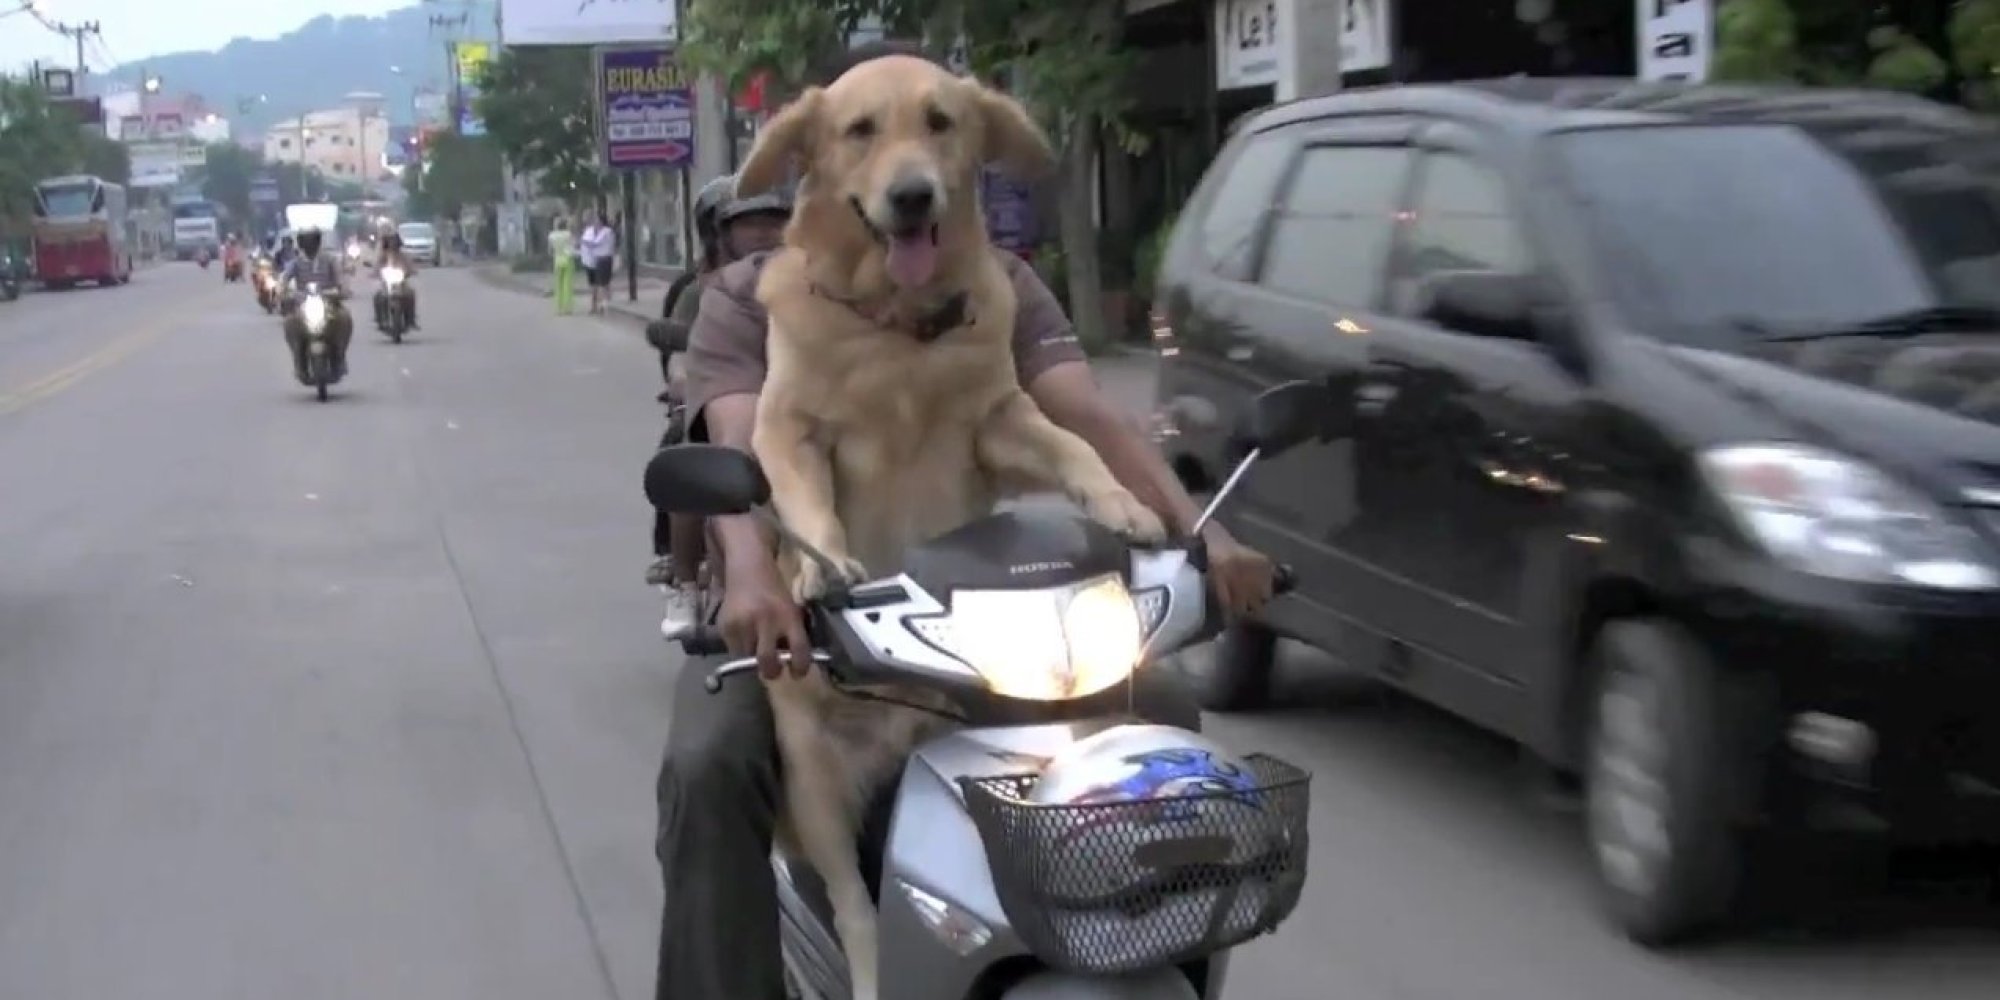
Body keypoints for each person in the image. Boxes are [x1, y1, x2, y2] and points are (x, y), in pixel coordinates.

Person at [650, 41, 1279, 1000]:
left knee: (1169, 722)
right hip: (807, 632)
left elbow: (1085, 414)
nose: (906, 161)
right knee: (710, 770)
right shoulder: (746, 299)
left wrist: (1203, 534)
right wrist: (751, 571)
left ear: (965, 151)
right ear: (822, 161)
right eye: (866, 132)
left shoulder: (999, 286)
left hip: (976, 628)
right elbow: (746, 447)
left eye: (934, 126)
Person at [647, 175, 795, 638]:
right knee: (693, 464)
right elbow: (684, 355)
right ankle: (686, 582)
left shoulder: (810, 279)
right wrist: (685, 384)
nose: (764, 233)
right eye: (749, 224)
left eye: (774, 220)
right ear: (720, 232)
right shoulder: (705, 291)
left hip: (797, 404)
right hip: (722, 398)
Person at [278, 226, 352, 383]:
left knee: (344, 318)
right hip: (303, 306)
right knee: (290, 323)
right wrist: (282, 291)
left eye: (312, 240)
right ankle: (299, 361)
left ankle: (339, 356)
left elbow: (340, 280)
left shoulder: (330, 259)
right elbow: (284, 279)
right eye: (306, 241)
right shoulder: (296, 263)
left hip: (329, 303)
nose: (309, 244)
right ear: (301, 243)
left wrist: (342, 290)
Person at [371, 232, 419, 330]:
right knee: (378, 297)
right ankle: (380, 318)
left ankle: (411, 319)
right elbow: (377, 267)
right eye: (390, 242)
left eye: (394, 242)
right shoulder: (383, 256)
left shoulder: (403, 255)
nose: (392, 245)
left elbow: (410, 266)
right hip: (386, 284)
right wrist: (375, 273)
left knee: (410, 294)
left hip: (401, 283)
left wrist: (411, 271)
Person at [579, 211, 616, 315]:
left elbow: (596, 243)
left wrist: (584, 242)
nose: (595, 222)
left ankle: (604, 305)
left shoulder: (606, 232)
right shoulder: (591, 231)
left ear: (601, 221)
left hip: (604, 259)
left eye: (597, 220)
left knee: (602, 284)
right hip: (596, 260)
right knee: (601, 284)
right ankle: (601, 304)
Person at [548, 216, 577, 316]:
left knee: (558, 285)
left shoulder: (551, 235)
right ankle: (567, 308)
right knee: (567, 285)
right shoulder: (568, 234)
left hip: (558, 259)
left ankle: (559, 308)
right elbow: (573, 244)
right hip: (568, 259)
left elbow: (550, 250)